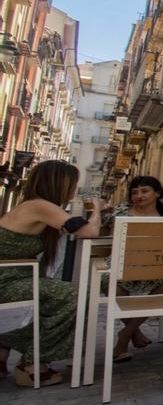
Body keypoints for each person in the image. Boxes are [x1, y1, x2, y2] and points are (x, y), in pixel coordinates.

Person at [0, 160, 104, 386]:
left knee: (51, 294)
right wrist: (97, 210)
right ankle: (32, 364)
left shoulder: (32, 205)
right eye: (72, 184)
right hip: (6, 281)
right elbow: (90, 231)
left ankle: (3, 351)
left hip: (14, 278)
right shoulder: (39, 206)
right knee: (76, 295)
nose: (73, 190)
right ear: (59, 183)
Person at [104, 176, 163, 361]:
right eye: (135, 192)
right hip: (123, 268)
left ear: (157, 193)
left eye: (144, 191)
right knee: (111, 282)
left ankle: (125, 334)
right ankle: (133, 332)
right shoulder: (121, 213)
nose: (139, 196)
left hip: (151, 269)